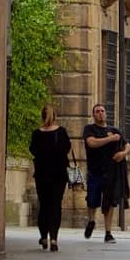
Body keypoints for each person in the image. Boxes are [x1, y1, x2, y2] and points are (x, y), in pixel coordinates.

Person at [81, 104, 127, 241]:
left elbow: (127, 145)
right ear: (93, 115)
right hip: (95, 171)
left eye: (102, 111)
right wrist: (110, 139)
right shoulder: (89, 129)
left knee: (109, 203)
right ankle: (91, 221)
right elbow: (92, 143)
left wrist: (123, 154)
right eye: (97, 111)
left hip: (111, 173)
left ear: (106, 113)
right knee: (92, 200)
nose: (100, 113)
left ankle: (108, 232)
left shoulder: (114, 130)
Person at [29, 106, 73, 250]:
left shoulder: (37, 133)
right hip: (59, 174)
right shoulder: (61, 132)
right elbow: (67, 148)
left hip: (42, 174)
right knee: (55, 204)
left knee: (44, 204)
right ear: (55, 116)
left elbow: (33, 150)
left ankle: (43, 236)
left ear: (42, 116)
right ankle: (54, 238)